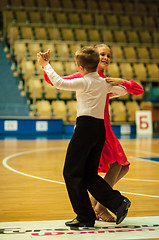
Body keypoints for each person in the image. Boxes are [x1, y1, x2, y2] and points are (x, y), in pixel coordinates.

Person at [42, 44, 144, 222]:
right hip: (100, 130)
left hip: (90, 128)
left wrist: (45, 64)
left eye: (108, 55)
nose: (105, 57)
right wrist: (121, 85)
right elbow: (53, 81)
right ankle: (113, 204)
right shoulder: (100, 82)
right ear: (95, 59)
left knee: (74, 172)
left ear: (81, 66)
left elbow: (57, 82)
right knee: (92, 173)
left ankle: (89, 213)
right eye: (102, 54)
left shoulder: (98, 80)